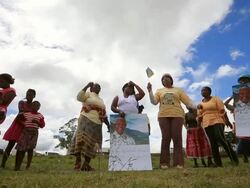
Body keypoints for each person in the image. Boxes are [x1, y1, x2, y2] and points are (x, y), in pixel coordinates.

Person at [147, 73, 196, 169]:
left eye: (167, 77)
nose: (165, 79)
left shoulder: (178, 90)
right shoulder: (159, 91)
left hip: (177, 115)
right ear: (162, 82)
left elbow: (188, 102)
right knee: (166, 138)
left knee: (177, 137)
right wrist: (150, 91)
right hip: (163, 116)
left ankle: (178, 163)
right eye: (163, 78)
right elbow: (154, 102)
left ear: (171, 80)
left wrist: (197, 106)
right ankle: (164, 163)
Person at [71, 82, 109, 171]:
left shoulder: (101, 100)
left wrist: (108, 125)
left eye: (99, 86)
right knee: (81, 140)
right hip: (85, 119)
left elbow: (104, 113)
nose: (98, 87)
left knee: (93, 144)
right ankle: (78, 162)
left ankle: (86, 165)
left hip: (98, 123)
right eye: (96, 86)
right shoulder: (88, 94)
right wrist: (87, 86)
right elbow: (79, 97)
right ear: (92, 88)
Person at [197, 86, 239, 167]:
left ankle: (234, 159)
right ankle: (218, 163)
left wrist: (227, 121)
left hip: (217, 120)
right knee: (212, 143)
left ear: (209, 92)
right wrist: (198, 126)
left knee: (220, 138)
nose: (203, 92)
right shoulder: (200, 104)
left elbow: (222, 110)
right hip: (206, 123)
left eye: (205, 90)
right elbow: (199, 115)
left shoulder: (216, 99)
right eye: (202, 91)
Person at [1, 89, 36, 168]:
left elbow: (33, 114)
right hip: (18, 125)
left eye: (30, 95)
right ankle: (2, 164)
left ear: (34, 96)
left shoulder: (34, 105)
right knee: (11, 144)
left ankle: (17, 166)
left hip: (27, 127)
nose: (28, 96)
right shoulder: (21, 102)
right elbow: (21, 112)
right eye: (27, 94)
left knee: (21, 147)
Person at [14, 101, 45, 171]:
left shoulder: (40, 116)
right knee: (22, 148)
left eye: (37, 106)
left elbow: (43, 125)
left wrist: (38, 122)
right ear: (31, 106)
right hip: (25, 132)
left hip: (34, 133)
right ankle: (17, 166)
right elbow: (17, 119)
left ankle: (28, 166)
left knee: (30, 149)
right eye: (34, 105)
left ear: (39, 108)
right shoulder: (26, 114)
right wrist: (23, 123)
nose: (35, 107)